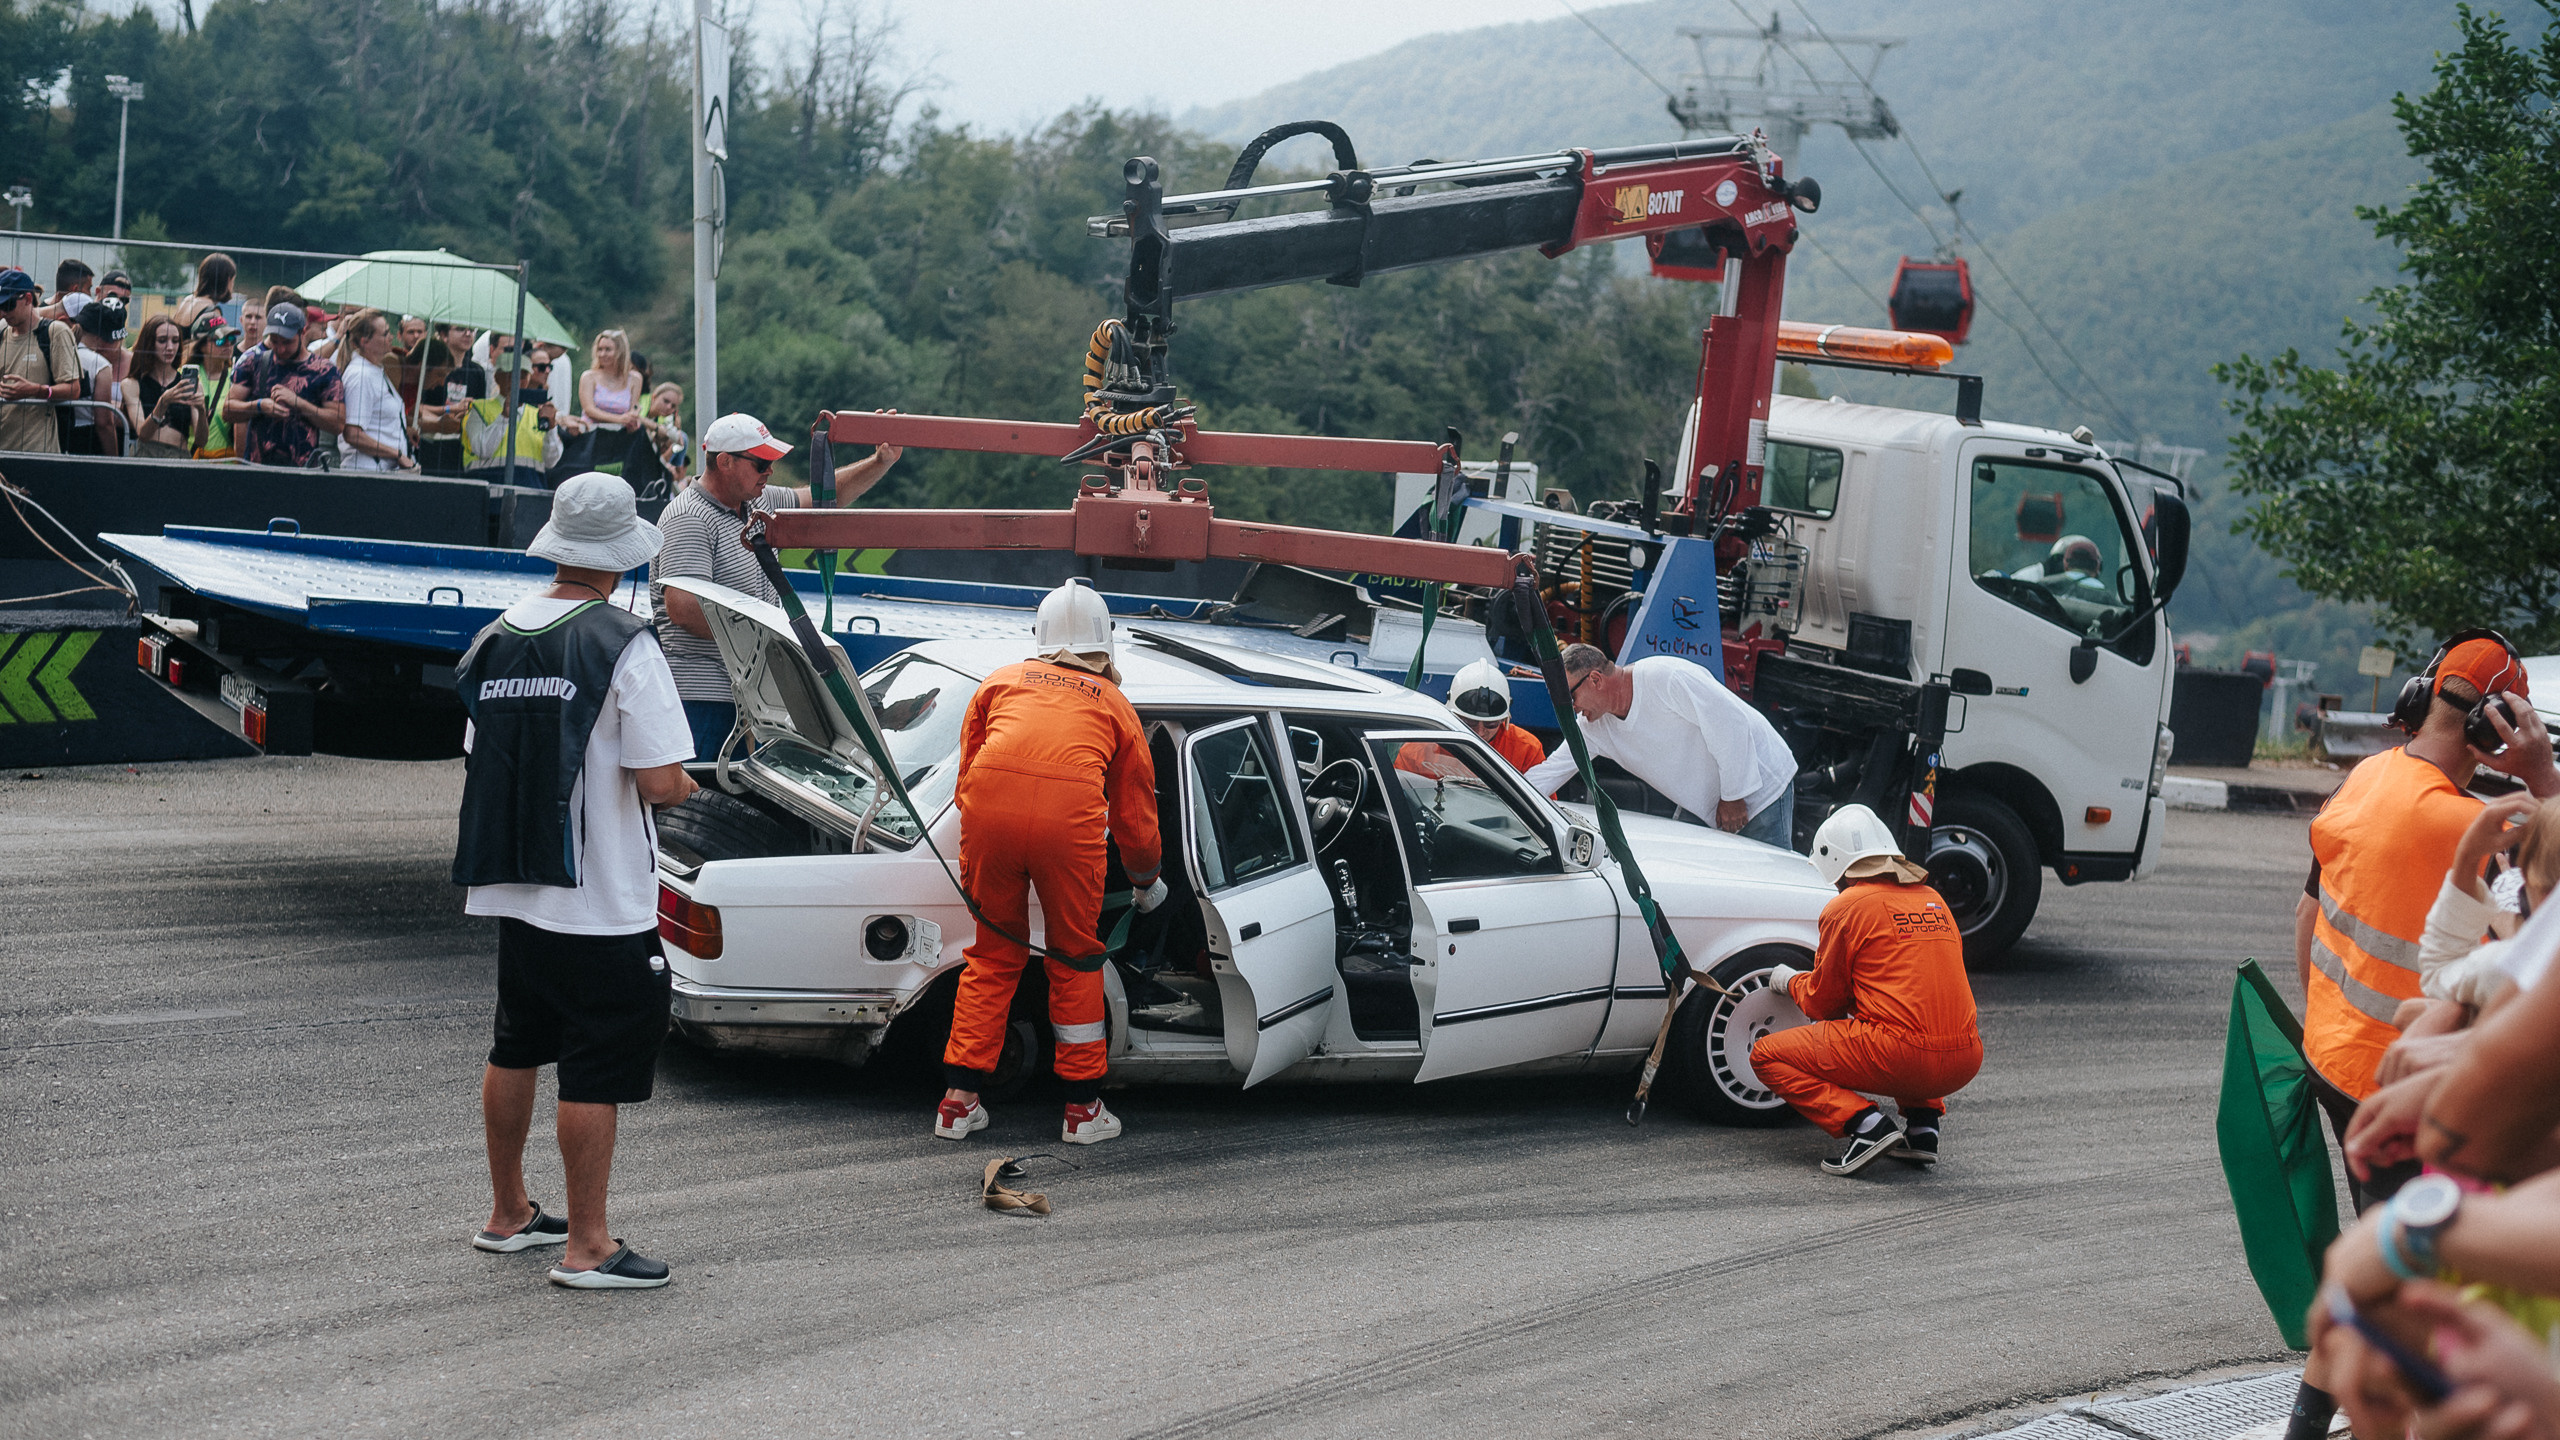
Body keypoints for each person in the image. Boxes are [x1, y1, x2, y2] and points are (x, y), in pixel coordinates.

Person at [452, 471, 697, 1290]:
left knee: (516, 1041)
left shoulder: (495, 636)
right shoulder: (623, 639)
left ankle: (508, 1212)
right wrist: (697, 783)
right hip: (600, 897)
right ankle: (588, 1246)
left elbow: (477, 751)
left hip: (514, 886)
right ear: (623, 557)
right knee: (595, 1063)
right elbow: (661, 781)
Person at [2296, 635, 2556, 1184]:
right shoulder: (2484, 832)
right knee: (2420, 1240)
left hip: (2330, 1059)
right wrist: (2543, 778)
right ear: (2495, 728)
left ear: (2422, 696)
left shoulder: (2363, 778)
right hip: (2417, 1084)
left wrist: (2332, 1034)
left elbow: (2307, 915)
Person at [936, 579, 1167, 1146]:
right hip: (1070, 831)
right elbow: (1135, 819)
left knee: (992, 955)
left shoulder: (1000, 683)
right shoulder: (1114, 704)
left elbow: (968, 779)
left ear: (1039, 637)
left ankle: (957, 1105)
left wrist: (989, 840)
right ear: (1104, 645)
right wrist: (1144, 883)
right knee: (1073, 958)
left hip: (989, 821)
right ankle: (1082, 1112)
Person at [651, 412, 902, 760]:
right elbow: (683, 610)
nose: (769, 471)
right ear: (724, 462)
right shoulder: (689, 518)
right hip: (703, 698)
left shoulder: (758, 502)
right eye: (761, 463)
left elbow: (826, 498)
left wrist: (879, 461)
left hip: (742, 695)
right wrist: (772, 635)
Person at [1750, 803, 1983, 1175]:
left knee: (1766, 1054)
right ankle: (1923, 1130)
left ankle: (1866, 1126)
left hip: (1902, 1055)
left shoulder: (1847, 906)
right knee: (1915, 1017)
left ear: (1836, 862)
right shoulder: (1934, 900)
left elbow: (1823, 1004)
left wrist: (1788, 980)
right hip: (1965, 1058)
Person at [1523, 645, 1798, 846]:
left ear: (1595, 680)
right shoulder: (1593, 728)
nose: (1571, 709)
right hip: (1709, 806)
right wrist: (1494, 793)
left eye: (1570, 697)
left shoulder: (1664, 677)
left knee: (1771, 883)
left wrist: (1734, 795)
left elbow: (1731, 723)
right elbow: (1551, 773)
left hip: (1761, 790)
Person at [221, 301, 344, 469]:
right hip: (258, 468)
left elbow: (337, 424)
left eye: (287, 342)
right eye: (274, 341)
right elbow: (227, 411)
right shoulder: (253, 362)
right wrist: (259, 406)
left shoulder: (324, 371)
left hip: (303, 470)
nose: (280, 348)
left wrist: (299, 404)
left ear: (303, 332)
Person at [460, 332, 561, 485]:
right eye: (510, 375)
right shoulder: (479, 409)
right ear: (497, 377)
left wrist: (551, 428)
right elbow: (482, 449)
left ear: (528, 378)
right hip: (489, 498)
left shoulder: (537, 414)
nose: (516, 382)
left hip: (529, 497)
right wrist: (504, 417)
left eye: (522, 376)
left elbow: (551, 461)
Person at [0, 268, 81, 454]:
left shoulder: (55, 332)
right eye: (0, 306)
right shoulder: (2, 332)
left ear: (28, 299)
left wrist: (36, 390)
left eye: (9, 305)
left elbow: (73, 389)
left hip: (37, 452)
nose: (3, 312)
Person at [333, 309, 418, 471]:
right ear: (365, 341)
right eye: (385, 334)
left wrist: (402, 431)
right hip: (367, 472)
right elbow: (352, 433)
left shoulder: (374, 369)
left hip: (380, 471)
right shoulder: (361, 375)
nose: (391, 337)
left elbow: (375, 422)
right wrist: (397, 454)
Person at [124, 315, 205, 460]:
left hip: (179, 456)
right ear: (149, 343)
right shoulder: (132, 384)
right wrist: (163, 403)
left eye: (175, 341)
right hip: (145, 454)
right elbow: (142, 434)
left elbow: (201, 441)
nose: (170, 347)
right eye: (162, 340)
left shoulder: (189, 384)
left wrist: (201, 409)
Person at [1443, 657, 1545, 771]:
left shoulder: (1527, 748)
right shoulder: (1429, 742)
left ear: (1504, 720)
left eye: (1490, 724)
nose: (1480, 732)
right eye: (1470, 723)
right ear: (1454, 716)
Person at [66, 296, 128, 456]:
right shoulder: (99, 364)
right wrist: (114, 461)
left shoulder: (59, 352)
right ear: (101, 337)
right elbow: (104, 423)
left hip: (57, 433)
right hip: (88, 439)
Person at [576, 329, 641, 476]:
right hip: (592, 439)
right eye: (600, 349)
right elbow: (589, 410)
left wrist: (632, 419)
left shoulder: (634, 379)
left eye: (608, 350)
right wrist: (619, 419)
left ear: (620, 352)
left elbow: (633, 407)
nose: (602, 354)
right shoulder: (589, 377)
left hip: (620, 441)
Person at [186, 317, 242, 461]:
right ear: (201, 346)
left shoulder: (237, 378)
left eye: (231, 339)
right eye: (220, 341)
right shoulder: (186, 376)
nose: (228, 345)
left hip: (227, 463)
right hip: (193, 461)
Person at [171, 252, 239, 334]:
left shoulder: (188, 300)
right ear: (228, 280)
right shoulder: (212, 311)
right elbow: (214, 344)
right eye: (233, 281)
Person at [39, 257, 93, 323]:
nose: (90, 294)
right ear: (75, 290)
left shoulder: (36, 316)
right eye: (88, 288)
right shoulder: (78, 322)